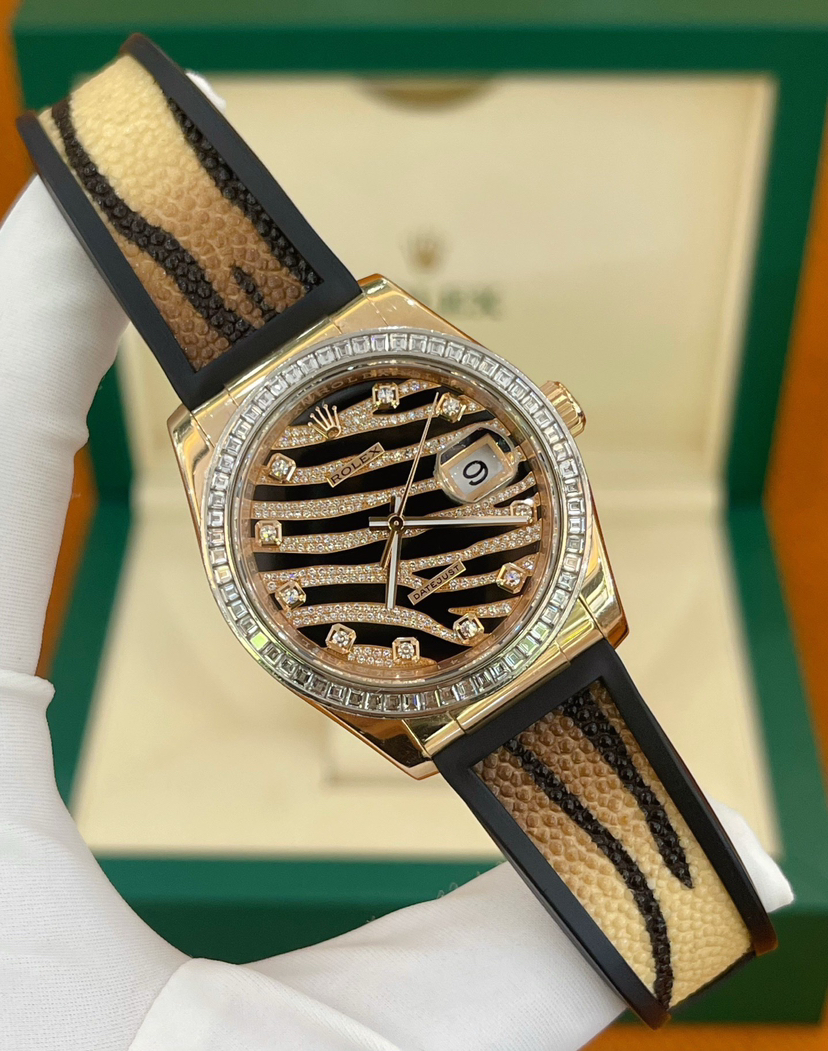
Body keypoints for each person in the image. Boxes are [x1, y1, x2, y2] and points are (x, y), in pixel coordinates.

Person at [0, 75, 791, 1051]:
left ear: (546, 421)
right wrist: (122, 134)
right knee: (114, 120)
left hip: (422, 616)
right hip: (410, 623)